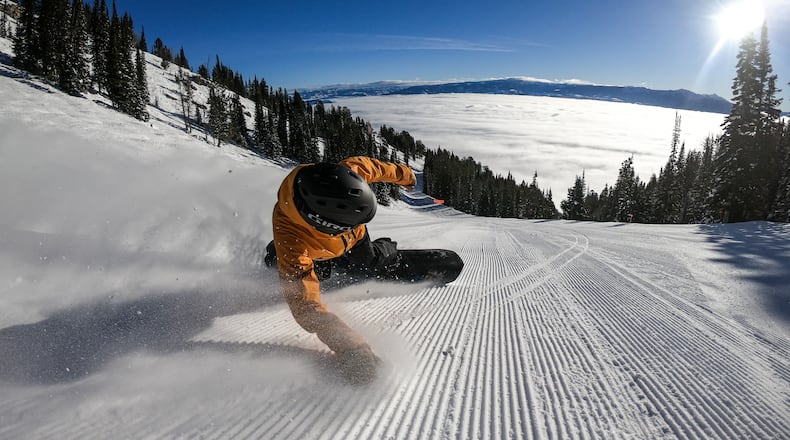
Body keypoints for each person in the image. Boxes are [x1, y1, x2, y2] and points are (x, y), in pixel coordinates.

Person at [265, 156, 417, 383]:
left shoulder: (348, 173)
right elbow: (305, 305)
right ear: (321, 223)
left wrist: (407, 176)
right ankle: (290, 257)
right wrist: (350, 347)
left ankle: (386, 248)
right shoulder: (291, 241)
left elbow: (379, 168)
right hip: (318, 251)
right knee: (288, 265)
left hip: (354, 243)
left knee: (369, 261)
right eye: (347, 225)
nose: (353, 227)